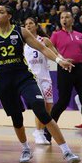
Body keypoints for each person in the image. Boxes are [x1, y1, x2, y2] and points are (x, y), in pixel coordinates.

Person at [0, 5, 81, 163]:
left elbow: (42, 48)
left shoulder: (21, 31)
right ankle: (25, 149)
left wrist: (59, 60)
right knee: (17, 118)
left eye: (1, 12)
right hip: (4, 81)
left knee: (41, 109)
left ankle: (67, 151)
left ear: (9, 16)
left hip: (23, 77)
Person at [49, 10, 82, 144]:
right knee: (63, 101)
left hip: (79, 69)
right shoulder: (56, 35)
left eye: (67, 17)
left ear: (72, 20)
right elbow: (49, 50)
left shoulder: (80, 35)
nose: (64, 19)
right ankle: (47, 132)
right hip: (64, 69)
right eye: (62, 17)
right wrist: (60, 60)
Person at [23, 17, 59, 146]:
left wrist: (63, 60)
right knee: (40, 105)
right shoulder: (23, 43)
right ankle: (38, 132)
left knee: (49, 106)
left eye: (31, 23)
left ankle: (41, 131)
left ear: (36, 26)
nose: (28, 25)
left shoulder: (44, 41)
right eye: (26, 24)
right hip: (32, 78)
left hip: (45, 77)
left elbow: (55, 54)